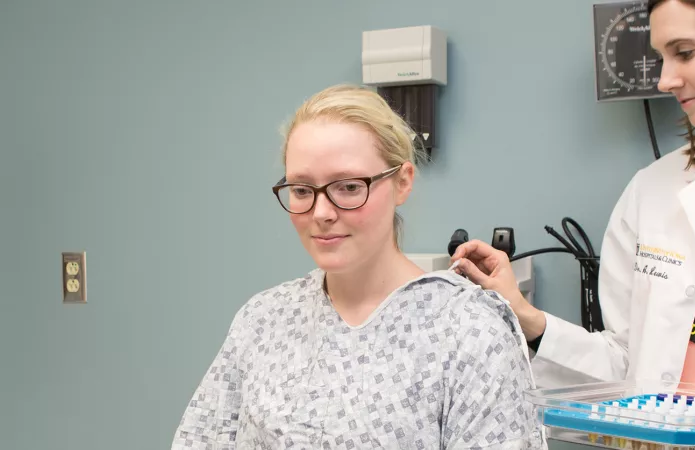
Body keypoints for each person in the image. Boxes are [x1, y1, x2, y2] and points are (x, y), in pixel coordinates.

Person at [451, 0, 695, 448]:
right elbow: (625, 362)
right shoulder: (652, 191)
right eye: (661, 58)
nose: (665, 79)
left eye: (685, 52)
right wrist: (527, 318)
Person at [170, 84, 543, 449]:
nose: (321, 213)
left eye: (348, 187)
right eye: (302, 190)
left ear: (402, 182)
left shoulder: (470, 334)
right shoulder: (263, 321)